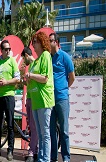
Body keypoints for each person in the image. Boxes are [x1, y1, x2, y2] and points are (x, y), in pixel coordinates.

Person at [25, 32, 55, 162]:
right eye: (33, 43)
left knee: (45, 133)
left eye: (35, 42)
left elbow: (44, 78)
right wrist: (26, 77)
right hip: (36, 101)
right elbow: (32, 80)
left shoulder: (46, 56)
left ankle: (45, 159)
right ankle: (41, 158)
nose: (33, 45)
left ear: (42, 43)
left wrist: (30, 76)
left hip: (44, 100)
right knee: (40, 134)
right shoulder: (36, 60)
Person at [0, 40, 20, 161]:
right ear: (1, 50)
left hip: (9, 95)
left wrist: (7, 82)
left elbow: (17, 79)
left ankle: (10, 150)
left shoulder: (12, 61)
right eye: (6, 49)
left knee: (10, 123)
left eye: (9, 49)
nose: (8, 51)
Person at [49, 33, 75, 162]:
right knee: (52, 131)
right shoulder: (48, 58)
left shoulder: (65, 57)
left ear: (57, 42)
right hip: (50, 99)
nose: (49, 43)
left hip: (62, 98)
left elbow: (72, 77)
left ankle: (66, 157)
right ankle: (53, 157)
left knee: (64, 130)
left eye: (51, 41)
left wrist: (63, 88)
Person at [21, 47, 38, 162]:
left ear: (27, 55)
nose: (23, 61)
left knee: (34, 126)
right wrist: (24, 77)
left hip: (36, 99)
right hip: (30, 98)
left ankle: (33, 152)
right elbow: (29, 82)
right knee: (32, 126)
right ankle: (34, 150)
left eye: (23, 58)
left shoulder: (37, 64)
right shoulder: (31, 66)